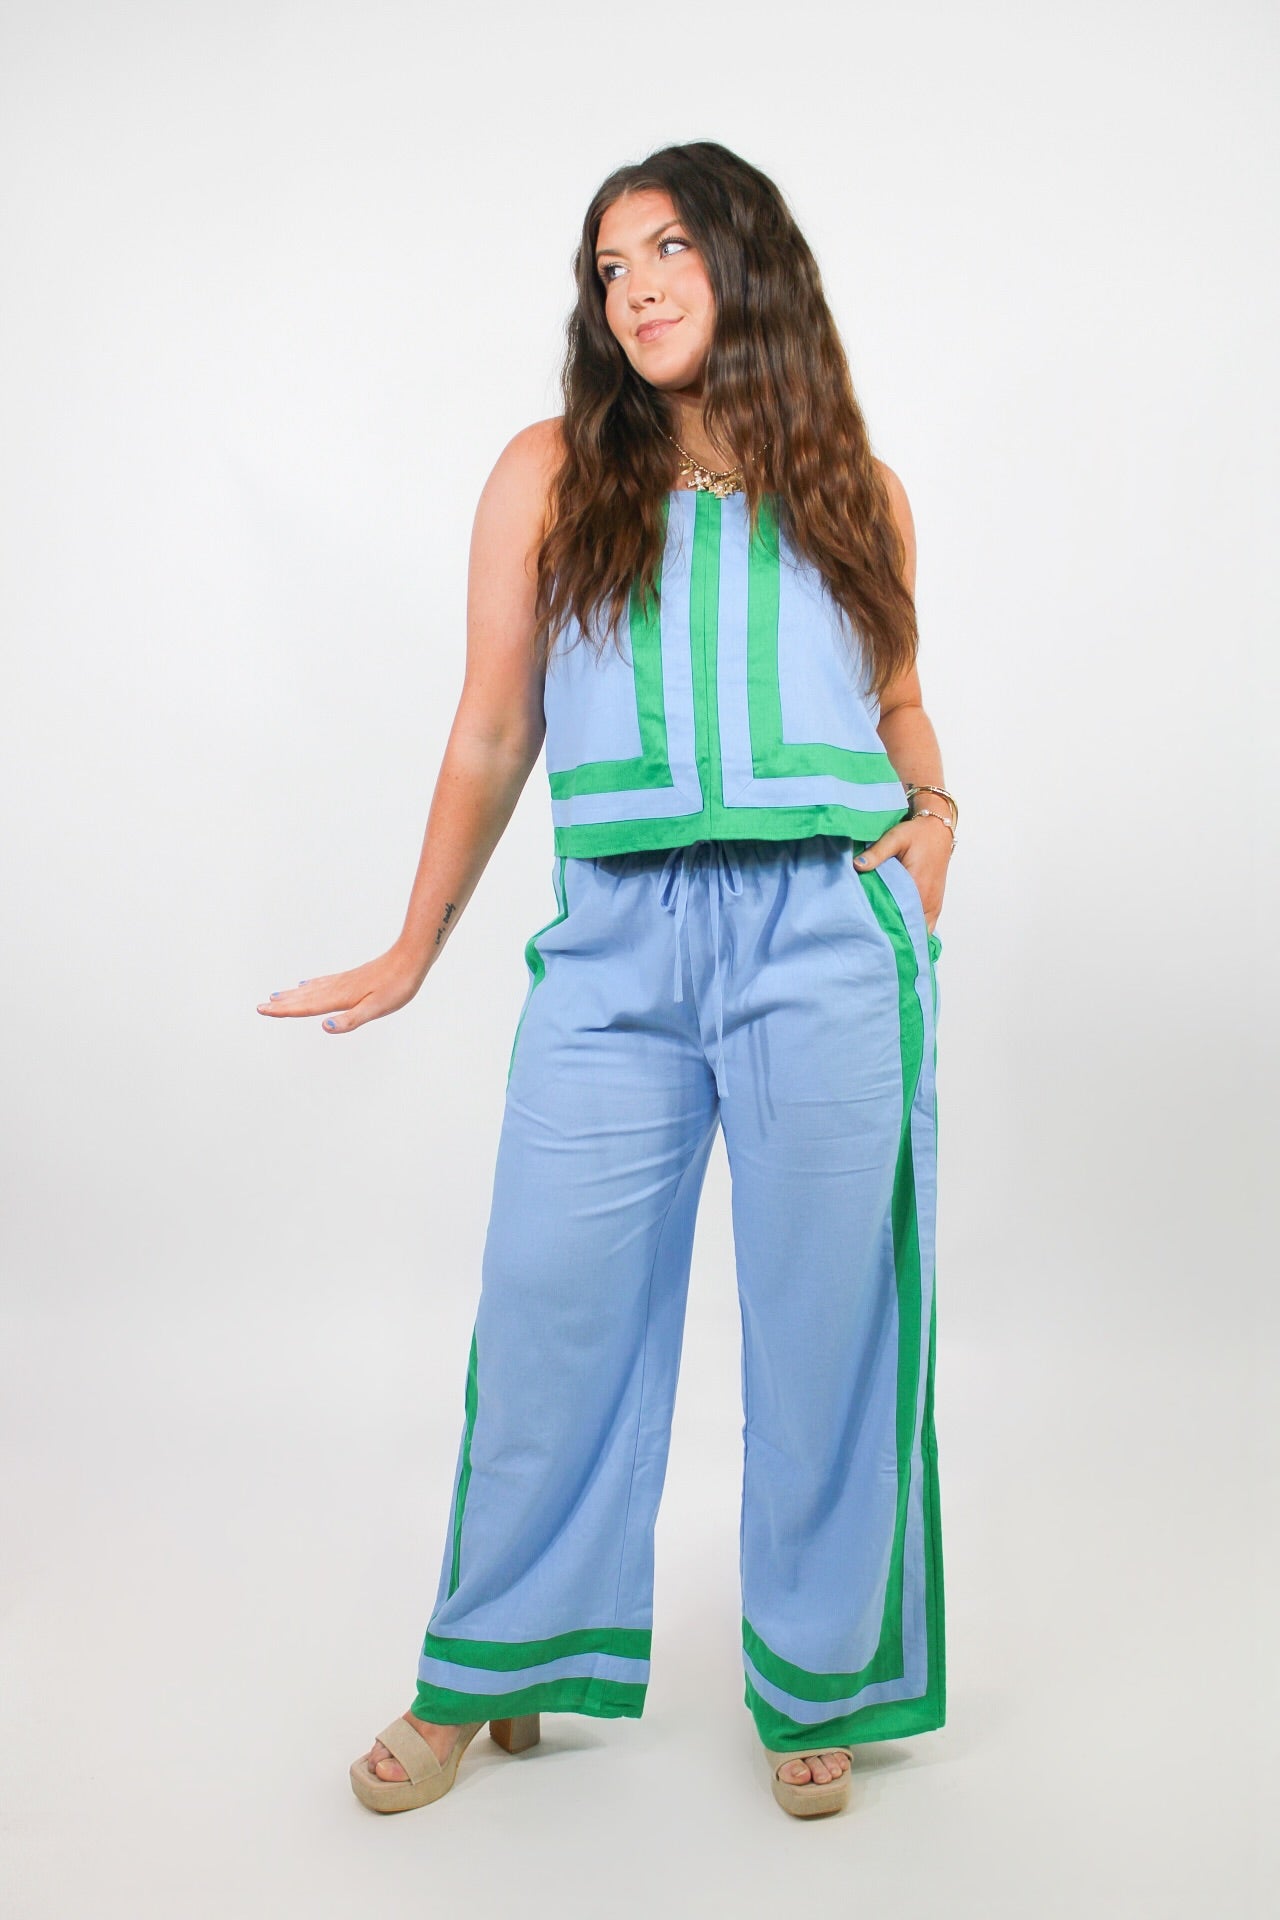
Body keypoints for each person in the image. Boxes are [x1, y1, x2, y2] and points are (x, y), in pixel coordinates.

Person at [258, 139, 957, 1821]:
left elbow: (898, 700)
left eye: (667, 250)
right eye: (609, 266)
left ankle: (818, 1676)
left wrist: (936, 823)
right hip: (618, 948)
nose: (635, 287)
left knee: (831, 1328)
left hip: (824, 937)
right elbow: (494, 727)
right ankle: (492, 1664)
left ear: (746, 259)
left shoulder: (856, 484)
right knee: (550, 1312)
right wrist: (416, 943)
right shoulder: (552, 472)